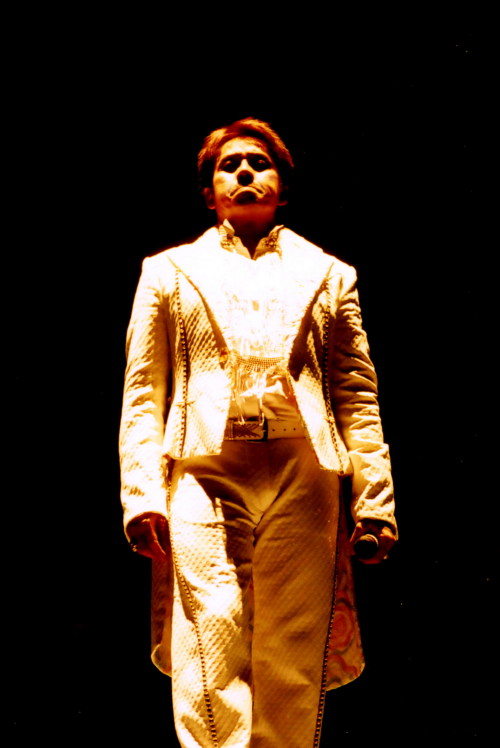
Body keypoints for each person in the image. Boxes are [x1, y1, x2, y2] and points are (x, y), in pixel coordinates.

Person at [119, 117, 397, 748]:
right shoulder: (168, 271)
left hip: (306, 472)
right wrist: (141, 496)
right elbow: (143, 394)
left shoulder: (330, 274)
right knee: (211, 636)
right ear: (209, 190)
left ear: (283, 187)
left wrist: (375, 503)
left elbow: (356, 395)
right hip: (205, 468)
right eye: (230, 164)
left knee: (291, 656)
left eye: (258, 162)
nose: (244, 171)